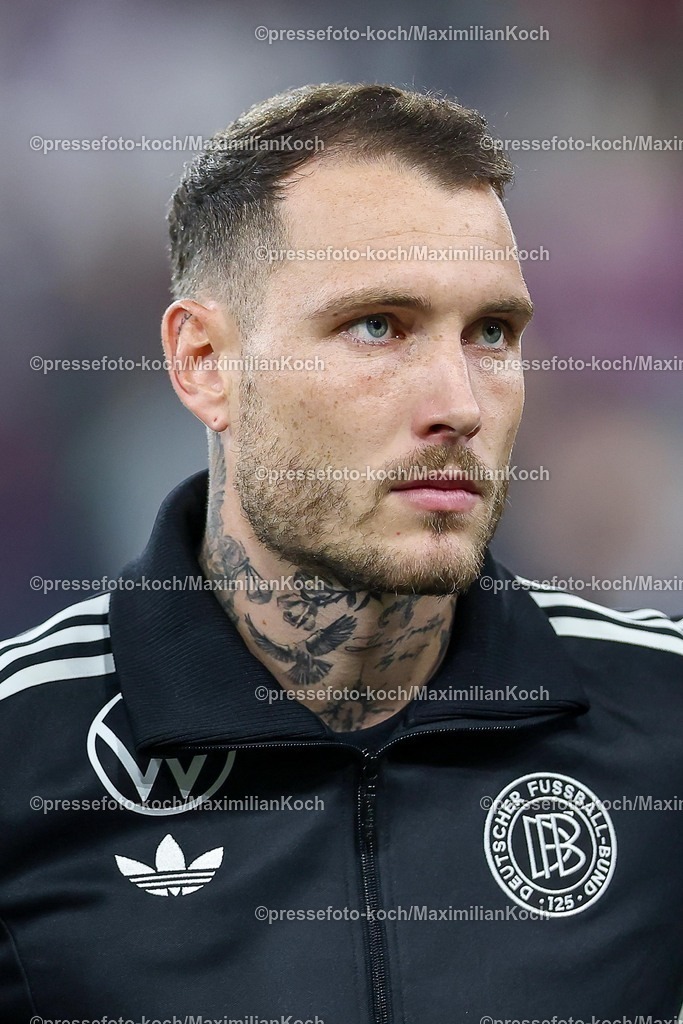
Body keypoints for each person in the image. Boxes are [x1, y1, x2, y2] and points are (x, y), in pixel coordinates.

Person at [2, 82, 682, 1021]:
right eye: (378, 326)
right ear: (204, 363)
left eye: (491, 332)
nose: (460, 403)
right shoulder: (21, 757)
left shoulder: (664, 724)